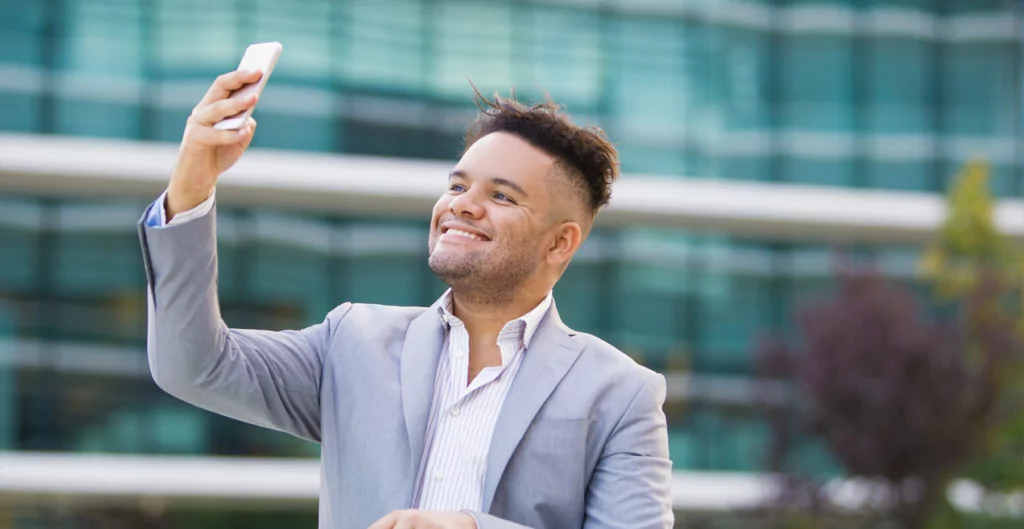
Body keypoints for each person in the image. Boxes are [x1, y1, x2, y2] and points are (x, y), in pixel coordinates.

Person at [138, 69, 673, 529]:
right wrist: (192, 182)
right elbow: (193, 365)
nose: (463, 206)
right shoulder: (351, 342)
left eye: (502, 196)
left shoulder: (620, 394)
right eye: (458, 186)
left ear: (560, 242)